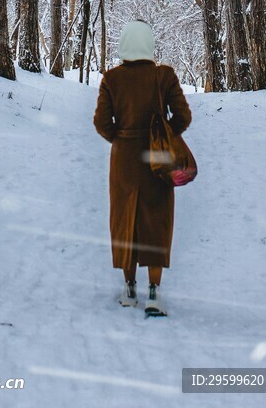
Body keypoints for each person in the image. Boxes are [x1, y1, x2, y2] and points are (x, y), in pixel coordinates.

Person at [93, 19, 192, 317]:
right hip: (157, 158)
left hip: (124, 158)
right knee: (156, 220)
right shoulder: (164, 76)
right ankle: (154, 291)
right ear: (149, 45)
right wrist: (164, 136)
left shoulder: (112, 79)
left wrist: (120, 138)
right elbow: (183, 116)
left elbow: (101, 122)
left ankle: (128, 288)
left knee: (125, 218)